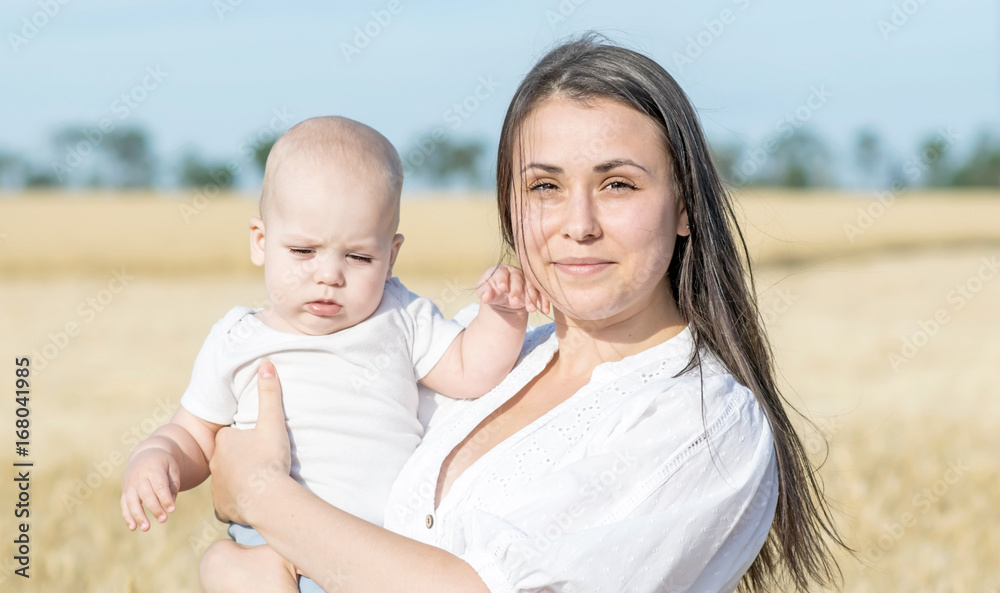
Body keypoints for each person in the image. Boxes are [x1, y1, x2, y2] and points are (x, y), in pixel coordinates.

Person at [206, 37, 847, 593]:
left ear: (684, 208)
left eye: (617, 184)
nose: (579, 225)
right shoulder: (484, 358)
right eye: (545, 186)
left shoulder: (702, 422)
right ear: (510, 209)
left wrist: (263, 495)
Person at [119, 116, 548, 592]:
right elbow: (193, 435)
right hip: (270, 547)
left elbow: (471, 372)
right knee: (226, 563)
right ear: (261, 242)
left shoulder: (399, 315)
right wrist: (157, 456)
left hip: (379, 555)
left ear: (391, 257)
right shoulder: (237, 339)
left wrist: (505, 314)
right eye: (304, 251)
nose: (329, 275)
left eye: (359, 257)